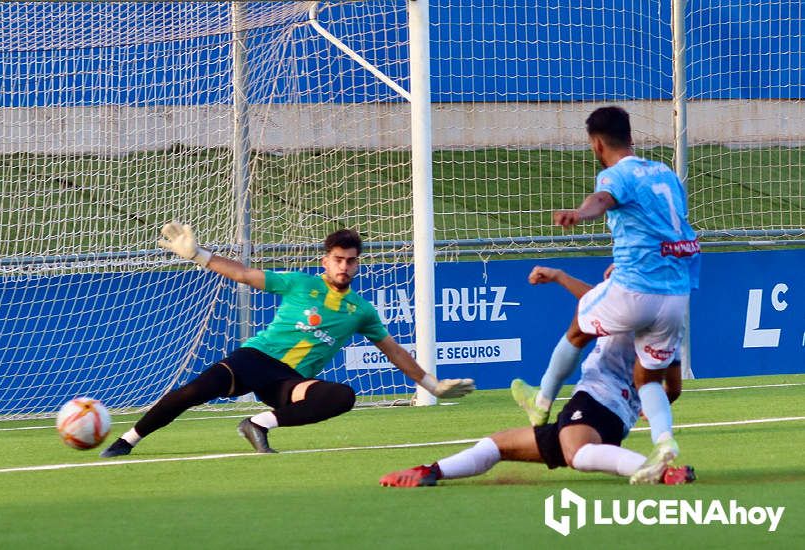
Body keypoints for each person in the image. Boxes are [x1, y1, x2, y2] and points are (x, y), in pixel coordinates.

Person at [101, 222, 475, 457]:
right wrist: (199, 254)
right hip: (256, 358)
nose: (344, 266)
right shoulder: (300, 283)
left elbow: (393, 351)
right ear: (325, 261)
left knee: (342, 397)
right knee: (194, 391)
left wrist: (432, 386)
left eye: (351, 260)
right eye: (338, 259)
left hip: (289, 382)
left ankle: (259, 423)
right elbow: (245, 274)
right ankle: (128, 441)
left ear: (357, 264)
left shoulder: (361, 310)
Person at [511, 106, 700, 484]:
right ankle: (664, 441)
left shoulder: (615, 174)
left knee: (580, 326)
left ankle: (542, 401)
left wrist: (580, 214)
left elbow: (602, 200)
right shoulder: (665, 172)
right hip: (677, 293)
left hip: (635, 287)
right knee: (647, 379)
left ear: (597, 144)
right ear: (630, 136)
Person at [380, 267, 694, 488]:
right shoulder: (668, 328)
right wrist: (650, 402)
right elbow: (675, 387)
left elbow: (593, 302)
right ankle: (431, 471)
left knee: (578, 454)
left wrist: (561, 277)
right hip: (615, 418)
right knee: (498, 443)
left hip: (595, 400)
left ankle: (657, 470)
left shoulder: (622, 306)